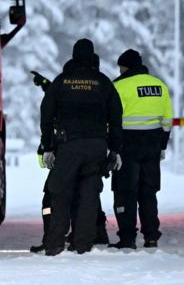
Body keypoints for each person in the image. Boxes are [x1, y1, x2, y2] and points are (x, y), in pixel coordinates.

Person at [39, 39, 123, 256]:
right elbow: (116, 119)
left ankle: (55, 243)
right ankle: (83, 245)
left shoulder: (62, 82)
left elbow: (46, 115)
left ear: (74, 55)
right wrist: (115, 150)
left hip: (68, 147)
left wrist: (47, 146)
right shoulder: (103, 82)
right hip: (96, 146)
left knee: (60, 193)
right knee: (89, 196)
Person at [29, 70, 110, 253]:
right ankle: (90, 236)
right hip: (91, 152)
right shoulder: (99, 88)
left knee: (54, 197)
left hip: (66, 152)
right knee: (88, 197)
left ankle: (53, 238)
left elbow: (55, 103)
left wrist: (48, 146)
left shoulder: (64, 87)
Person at [110, 49, 173, 249]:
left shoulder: (119, 86)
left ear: (124, 67)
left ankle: (127, 238)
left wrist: (113, 149)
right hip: (153, 143)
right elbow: (167, 121)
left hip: (127, 143)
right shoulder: (159, 85)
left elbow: (112, 120)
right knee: (148, 192)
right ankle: (151, 236)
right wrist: (162, 146)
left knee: (125, 191)